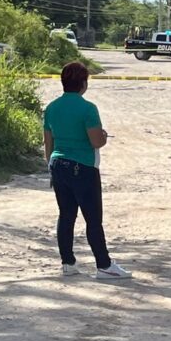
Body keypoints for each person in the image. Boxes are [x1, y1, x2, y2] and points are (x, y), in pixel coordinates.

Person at [43, 62, 132, 279]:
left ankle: (68, 262)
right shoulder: (88, 108)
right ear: (84, 83)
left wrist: (51, 166)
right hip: (82, 166)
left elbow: (48, 143)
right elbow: (96, 141)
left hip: (57, 163)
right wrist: (103, 135)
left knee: (66, 216)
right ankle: (104, 264)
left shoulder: (51, 108)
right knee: (93, 218)